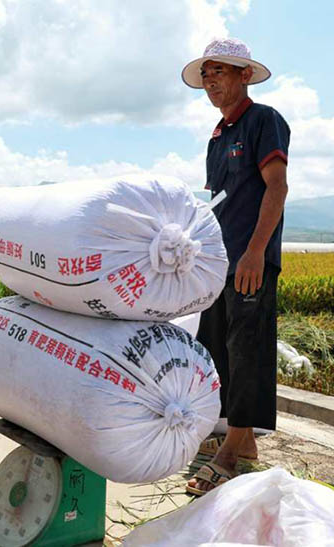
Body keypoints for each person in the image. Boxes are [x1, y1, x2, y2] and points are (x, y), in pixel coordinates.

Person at [181, 38, 290, 496]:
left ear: (245, 75)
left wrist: (255, 252)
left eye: (219, 71)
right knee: (218, 349)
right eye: (206, 74)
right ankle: (240, 441)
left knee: (247, 350)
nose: (210, 81)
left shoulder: (264, 120)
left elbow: (276, 187)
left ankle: (232, 451)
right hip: (220, 262)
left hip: (250, 260)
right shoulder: (217, 136)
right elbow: (220, 201)